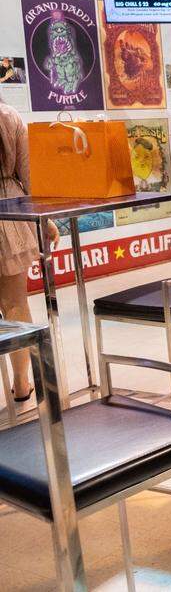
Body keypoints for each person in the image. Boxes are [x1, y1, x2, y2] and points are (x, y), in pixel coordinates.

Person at [0, 102, 59, 402]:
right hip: (9, 212)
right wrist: (45, 220)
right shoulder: (8, 115)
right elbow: (28, 172)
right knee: (15, 302)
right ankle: (22, 384)